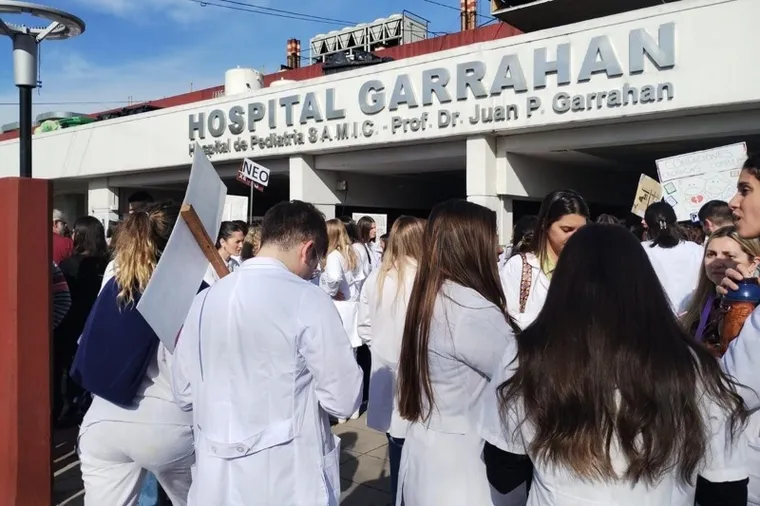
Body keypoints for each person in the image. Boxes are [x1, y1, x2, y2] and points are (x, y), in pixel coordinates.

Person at [479, 224, 749, 506]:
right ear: (644, 280)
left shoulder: (528, 354)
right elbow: (724, 487)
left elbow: (503, 470)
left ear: (563, 281)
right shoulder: (692, 365)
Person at [171, 200, 363, 505]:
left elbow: (183, 393)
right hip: (287, 479)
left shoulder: (203, 301)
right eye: (317, 261)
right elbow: (344, 399)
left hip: (215, 480)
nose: (314, 271)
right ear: (307, 250)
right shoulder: (308, 299)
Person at [396, 199, 525, 506]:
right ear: (471, 247)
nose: (498, 250)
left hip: (427, 456)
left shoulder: (433, 297)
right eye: (492, 239)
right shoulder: (471, 311)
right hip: (464, 470)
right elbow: (525, 375)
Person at [72, 202, 194, 506]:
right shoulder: (191, 291)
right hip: (169, 422)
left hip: (102, 421)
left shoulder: (116, 284)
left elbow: (86, 343)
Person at [357, 216, 425, 504]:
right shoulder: (426, 278)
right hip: (419, 372)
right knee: (416, 451)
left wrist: (383, 348)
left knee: (396, 441)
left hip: (387, 370)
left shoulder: (376, 278)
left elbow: (364, 327)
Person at [500, 190, 589, 329]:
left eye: (581, 231)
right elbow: (506, 320)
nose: (575, 237)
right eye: (566, 230)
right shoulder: (519, 267)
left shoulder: (589, 269)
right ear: (545, 225)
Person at [56, 217, 110, 426]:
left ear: (79, 235)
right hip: (99, 322)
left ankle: (69, 408)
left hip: (72, 323)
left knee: (69, 367)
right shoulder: (108, 263)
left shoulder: (69, 264)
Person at [680, 227, 760, 350]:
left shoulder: (756, 304)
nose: (716, 263)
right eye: (711, 254)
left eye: (729, 256)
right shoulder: (692, 303)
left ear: (753, 263)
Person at [641, 201, 704, 312]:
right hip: (693, 315)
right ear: (675, 220)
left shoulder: (641, 250)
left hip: (657, 315)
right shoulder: (697, 250)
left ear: (648, 225)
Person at [203, 221, 245, 286]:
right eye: (237, 242)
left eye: (242, 241)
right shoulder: (207, 266)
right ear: (222, 242)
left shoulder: (235, 265)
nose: (241, 245)